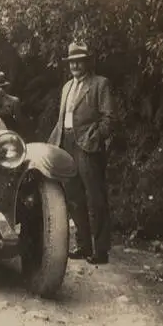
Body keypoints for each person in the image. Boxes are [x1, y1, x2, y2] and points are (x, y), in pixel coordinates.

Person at [48, 42, 114, 264]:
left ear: (87, 62)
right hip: (66, 143)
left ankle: (100, 250)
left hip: (88, 146)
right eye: (72, 62)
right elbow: (61, 120)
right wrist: (53, 144)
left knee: (95, 198)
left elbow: (108, 119)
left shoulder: (100, 84)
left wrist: (94, 137)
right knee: (74, 197)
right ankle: (84, 245)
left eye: (79, 61)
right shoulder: (67, 87)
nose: (75, 65)